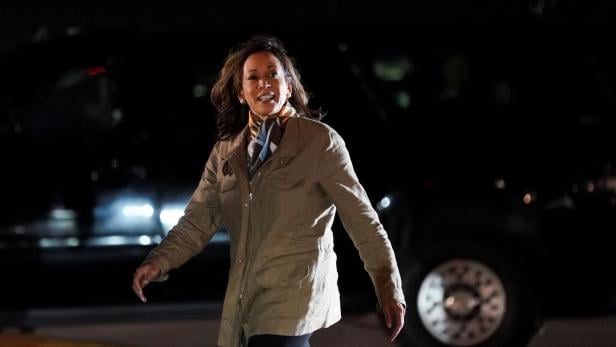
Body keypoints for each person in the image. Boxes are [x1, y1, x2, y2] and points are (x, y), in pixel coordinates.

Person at [132, 35, 406, 347]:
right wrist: (160, 261)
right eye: (254, 77)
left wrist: (389, 288)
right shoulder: (227, 151)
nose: (265, 84)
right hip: (246, 296)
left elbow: (362, 221)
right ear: (240, 92)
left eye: (273, 75)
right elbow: (199, 218)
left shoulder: (320, 143)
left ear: (288, 86)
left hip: (295, 297)